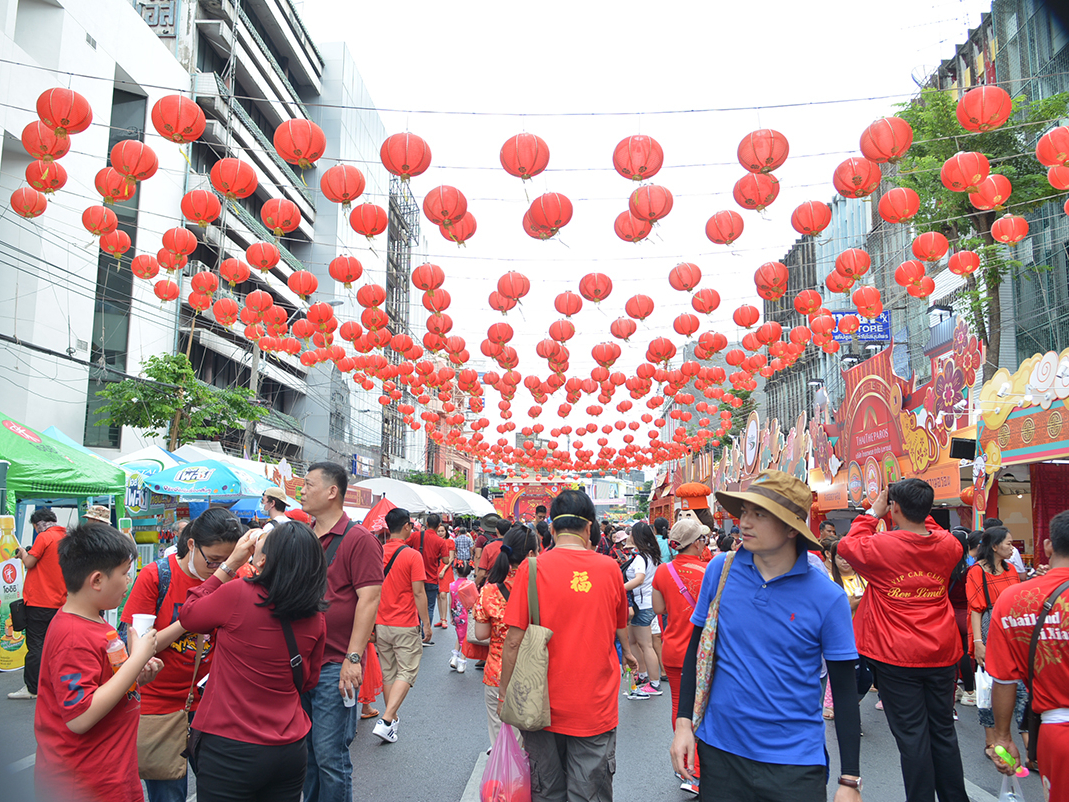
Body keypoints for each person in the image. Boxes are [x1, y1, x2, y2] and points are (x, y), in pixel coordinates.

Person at [670, 470, 860, 802]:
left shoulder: (827, 597)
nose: (744, 522)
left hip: (795, 764)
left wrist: (849, 780)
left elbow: (843, 690)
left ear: (791, 527)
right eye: (744, 511)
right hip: (720, 752)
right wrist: (683, 724)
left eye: (759, 514)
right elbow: (696, 650)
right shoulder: (720, 571)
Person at [499, 491, 637, 801]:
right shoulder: (610, 569)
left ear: (551, 528)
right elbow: (619, 626)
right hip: (594, 704)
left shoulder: (531, 570)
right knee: (590, 791)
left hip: (539, 703)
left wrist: (505, 693)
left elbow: (512, 641)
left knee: (547, 791)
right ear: (589, 528)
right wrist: (627, 652)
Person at [176, 521, 326, 802]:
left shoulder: (238, 594)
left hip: (229, 746)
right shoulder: (316, 618)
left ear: (267, 559)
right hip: (289, 747)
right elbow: (309, 680)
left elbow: (190, 615)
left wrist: (229, 565)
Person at [837, 480, 968, 802]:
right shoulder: (950, 546)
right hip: (940, 650)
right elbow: (932, 527)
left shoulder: (881, 546)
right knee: (943, 733)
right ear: (928, 509)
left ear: (893, 508)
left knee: (912, 737)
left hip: (896, 653)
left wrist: (872, 512)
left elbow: (847, 546)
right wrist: (916, 507)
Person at [120, 506, 242, 802]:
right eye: (213, 560)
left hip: (212, 705)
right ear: (191, 544)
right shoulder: (156, 576)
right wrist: (186, 621)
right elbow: (137, 644)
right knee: (168, 795)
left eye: (228, 562)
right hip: (159, 705)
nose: (220, 569)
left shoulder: (234, 581)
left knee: (221, 791)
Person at [34, 523, 163, 802]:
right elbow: (80, 717)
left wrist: (136, 674)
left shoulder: (95, 620)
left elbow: (102, 684)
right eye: (125, 574)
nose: (128, 582)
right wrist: (138, 656)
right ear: (96, 581)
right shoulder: (72, 636)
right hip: (84, 785)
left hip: (113, 775)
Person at [301, 461, 383, 802]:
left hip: (336, 663)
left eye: (308, 485)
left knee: (330, 756)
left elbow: (369, 600)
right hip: (300, 662)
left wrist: (353, 657)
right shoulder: (303, 536)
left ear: (332, 492)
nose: (301, 491)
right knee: (306, 756)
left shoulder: (358, 539)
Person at [985, 509, 1069, 797]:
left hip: (1057, 732)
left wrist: (1003, 737)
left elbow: (1005, 679)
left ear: (1048, 545)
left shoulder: (1012, 600)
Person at [651, 518, 707, 795]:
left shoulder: (663, 571)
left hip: (673, 650)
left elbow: (659, 608)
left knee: (679, 707)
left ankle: (684, 764)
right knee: (705, 709)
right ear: (697, 543)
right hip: (704, 654)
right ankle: (699, 766)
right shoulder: (710, 572)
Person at [472, 525, 539, 748]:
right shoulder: (539, 586)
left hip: (496, 673)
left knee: (500, 740)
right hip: (533, 673)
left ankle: (504, 781)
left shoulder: (489, 590)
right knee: (529, 744)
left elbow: (481, 634)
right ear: (531, 554)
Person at [373, 507, 431, 743]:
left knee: (389, 673)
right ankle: (387, 719)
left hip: (380, 622)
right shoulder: (412, 555)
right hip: (405, 623)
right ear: (406, 525)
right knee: (406, 671)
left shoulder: (376, 552)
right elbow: (419, 592)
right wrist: (426, 623)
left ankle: (392, 720)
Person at [967, 525, 1025, 756]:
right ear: (994, 546)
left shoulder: (1011, 570)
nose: (1013, 548)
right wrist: (978, 642)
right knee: (989, 686)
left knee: (1020, 688)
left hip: (1013, 632)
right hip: (989, 629)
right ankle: (992, 743)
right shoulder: (976, 572)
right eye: (1009, 544)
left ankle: (1027, 747)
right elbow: (975, 610)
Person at [9, 508, 67, 701]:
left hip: (39, 602)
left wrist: (24, 552)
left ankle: (32, 688)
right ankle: (53, 684)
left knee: (36, 645)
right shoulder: (67, 537)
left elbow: (29, 563)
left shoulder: (45, 537)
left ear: (39, 523)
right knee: (56, 645)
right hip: (61, 602)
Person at [825, 539, 870, 721]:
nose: (844, 561)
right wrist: (851, 603)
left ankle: (851, 702)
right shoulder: (828, 580)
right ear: (832, 558)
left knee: (866, 677)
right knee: (848, 675)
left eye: (848, 558)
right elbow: (837, 607)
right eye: (840, 557)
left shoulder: (865, 578)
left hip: (865, 634)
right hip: (841, 635)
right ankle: (840, 707)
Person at [623, 521, 663, 698]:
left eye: (632, 533)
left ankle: (654, 683)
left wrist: (619, 588)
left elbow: (639, 579)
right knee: (633, 641)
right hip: (646, 604)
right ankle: (643, 675)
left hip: (641, 605)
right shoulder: (650, 556)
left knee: (646, 645)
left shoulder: (640, 558)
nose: (630, 536)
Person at [408, 512, 453, 637]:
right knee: (429, 608)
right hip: (432, 578)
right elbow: (445, 560)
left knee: (415, 606)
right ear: (439, 525)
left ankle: (414, 632)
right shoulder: (440, 541)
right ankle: (425, 633)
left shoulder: (416, 536)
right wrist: (435, 555)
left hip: (415, 578)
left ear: (426, 524)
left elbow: (404, 547)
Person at [947, 529, 976, 707]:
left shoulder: (945, 566)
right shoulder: (972, 567)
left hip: (950, 615)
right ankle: (970, 692)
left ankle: (954, 688)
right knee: (967, 653)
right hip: (968, 615)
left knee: (952, 655)